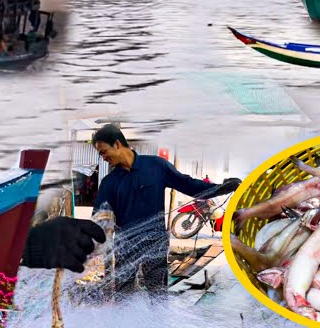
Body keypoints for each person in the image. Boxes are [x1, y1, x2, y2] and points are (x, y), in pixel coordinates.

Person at [90, 124, 238, 292]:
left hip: (155, 242)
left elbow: (188, 185)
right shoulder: (109, 182)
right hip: (125, 246)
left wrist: (222, 188)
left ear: (117, 144)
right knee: (124, 295)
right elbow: (98, 218)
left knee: (157, 293)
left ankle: (157, 318)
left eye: (103, 152)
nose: (102, 157)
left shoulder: (156, 166)